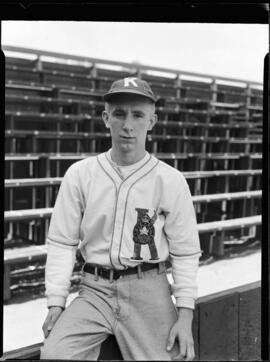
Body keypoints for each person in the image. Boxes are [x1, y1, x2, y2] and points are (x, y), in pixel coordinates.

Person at [40, 77, 202, 361]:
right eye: (119, 114)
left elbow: (185, 251)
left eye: (138, 115)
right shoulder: (80, 174)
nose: (128, 124)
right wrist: (56, 302)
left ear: (152, 120)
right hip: (94, 289)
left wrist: (185, 314)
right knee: (54, 355)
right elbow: (62, 242)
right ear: (106, 118)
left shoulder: (171, 180)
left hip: (149, 288)